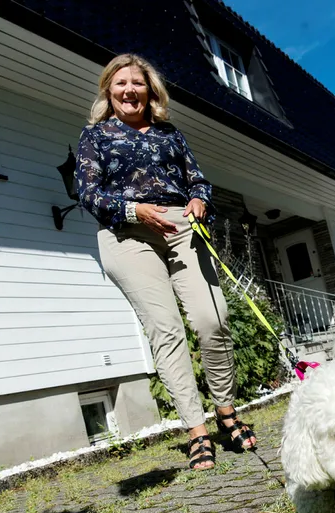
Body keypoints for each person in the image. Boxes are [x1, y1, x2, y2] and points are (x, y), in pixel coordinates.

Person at [75, 53, 256, 470]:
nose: (129, 91)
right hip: (128, 230)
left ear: (150, 91)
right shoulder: (95, 137)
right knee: (166, 329)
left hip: (181, 224)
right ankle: (197, 430)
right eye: (120, 84)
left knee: (214, 319)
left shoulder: (169, 134)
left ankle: (227, 412)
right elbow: (86, 192)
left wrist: (198, 199)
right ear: (108, 90)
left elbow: (198, 180)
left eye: (137, 84)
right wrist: (135, 211)